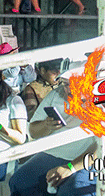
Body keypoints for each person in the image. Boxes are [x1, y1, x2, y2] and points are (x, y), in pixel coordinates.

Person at [10, 68, 97, 196]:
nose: (69, 89)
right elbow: (33, 131)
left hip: (91, 158)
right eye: (66, 84)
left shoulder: (103, 99)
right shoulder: (57, 94)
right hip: (55, 153)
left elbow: (103, 149)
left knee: (72, 190)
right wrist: (46, 125)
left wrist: (70, 168)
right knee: (19, 182)